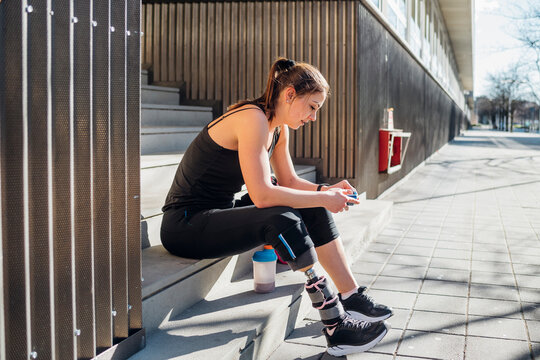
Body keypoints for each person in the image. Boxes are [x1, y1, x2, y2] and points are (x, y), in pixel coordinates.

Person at [160, 58, 392, 356]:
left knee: (313, 208)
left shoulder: (279, 129)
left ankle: (351, 296)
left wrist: (326, 190)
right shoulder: (251, 118)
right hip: (185, 225)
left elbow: (290, 182)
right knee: (280, 217)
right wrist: (322, 196)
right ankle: (336, 325)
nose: (313, 117)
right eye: (312, 107)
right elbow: (262, 196)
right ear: (290, 94)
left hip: (218, 213)